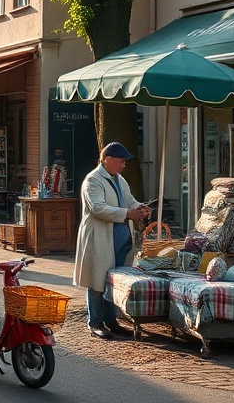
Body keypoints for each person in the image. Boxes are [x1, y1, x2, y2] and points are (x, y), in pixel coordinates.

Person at [73, 141, 151, 340]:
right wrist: (128, 213)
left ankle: (111, 319)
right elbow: (98, 208)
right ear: (107, 160)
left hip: (120, 238)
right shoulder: (93, 180)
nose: (124, 165)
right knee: (97, 280)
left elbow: (129, 200)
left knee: (114, 280)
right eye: (121, 161)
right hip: (100, 238)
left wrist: (140, 207)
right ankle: (95, 322)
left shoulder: (119, 179)